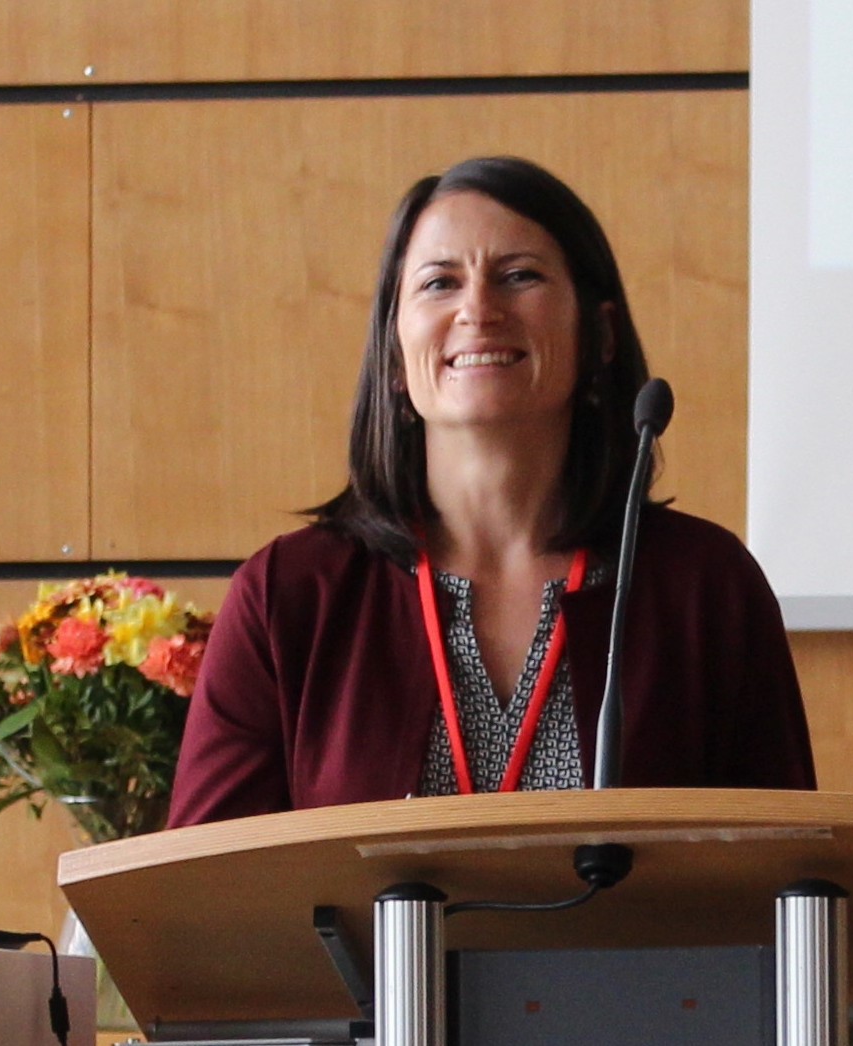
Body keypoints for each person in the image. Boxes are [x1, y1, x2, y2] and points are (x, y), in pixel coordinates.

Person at [170, 156, 815, 825]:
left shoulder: (704, 587)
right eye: (440, 283)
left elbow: (791, 878)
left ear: (600, 338)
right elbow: (203, 896)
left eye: (519, 276)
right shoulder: (291, 595)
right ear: (394, 354)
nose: (478, 309)